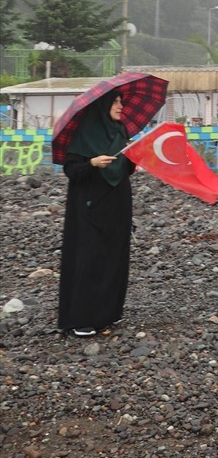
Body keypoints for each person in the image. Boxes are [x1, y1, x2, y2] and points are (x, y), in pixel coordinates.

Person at [59, 91, 136, 337]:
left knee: (114, 254)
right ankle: (83, 317)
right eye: (115, 102)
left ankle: (108, 313)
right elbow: (71, 169)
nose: (120, 106)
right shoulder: (84, 134)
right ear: (102, 106)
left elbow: (127, 168)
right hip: (90, 205)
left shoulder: (121, 131)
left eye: (120, 101)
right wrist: (92, 163)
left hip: (117, 202)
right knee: (89, 256)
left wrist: (134, 155)